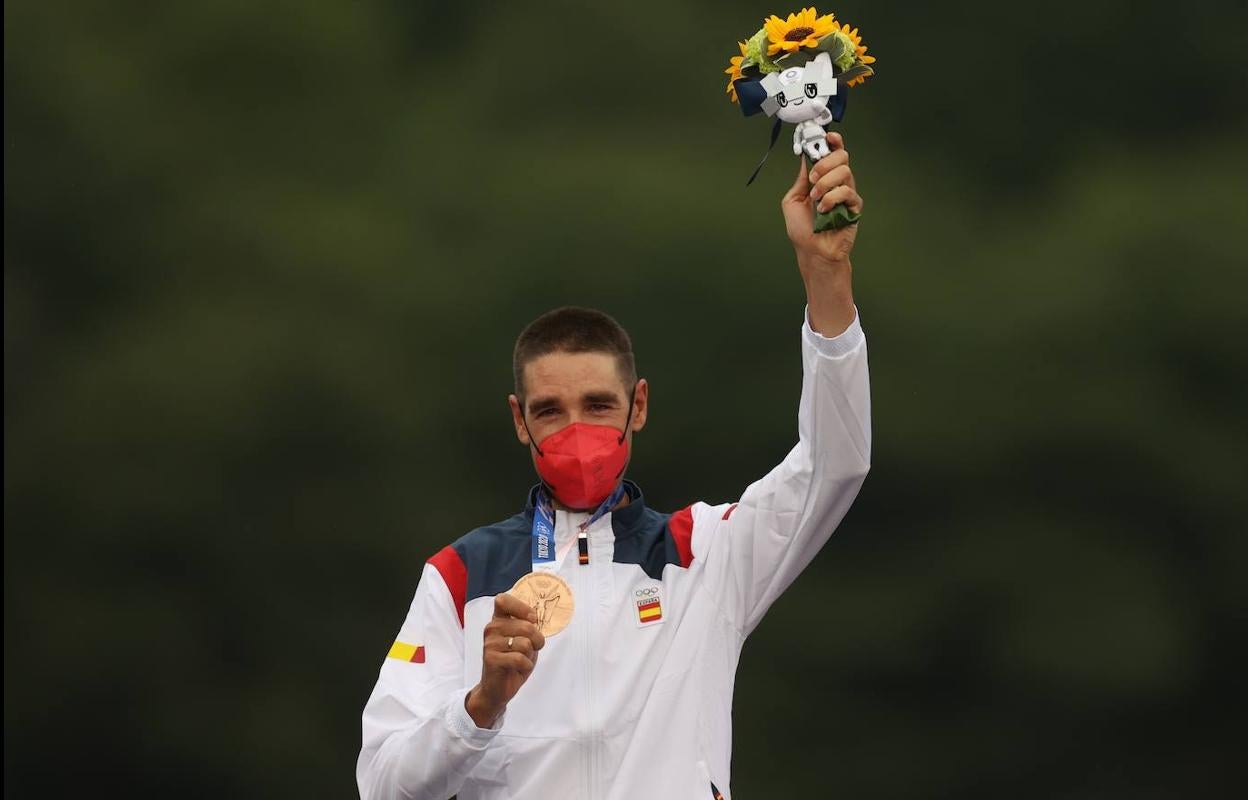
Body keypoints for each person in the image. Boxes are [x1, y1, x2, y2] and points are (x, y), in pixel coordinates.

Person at [357, 132, 871, 800]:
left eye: (598, 405)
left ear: (639, 406)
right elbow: (383, 785)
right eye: (550, 411)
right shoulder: (462, 576)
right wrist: (479, 706)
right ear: (519, 420)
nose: (577, 432)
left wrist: (825, 272)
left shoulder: (706, 555)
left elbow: (836, 461)